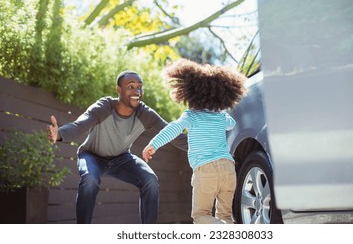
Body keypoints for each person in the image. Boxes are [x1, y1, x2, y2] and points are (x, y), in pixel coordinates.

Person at [46, 70, 188, 224]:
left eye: (140, 87)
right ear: (118, 90)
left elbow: (171, 132)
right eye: (131, 87)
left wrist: (204, 145)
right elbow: (80, 125)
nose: (137, 91)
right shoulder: (104, 107)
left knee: (150, 181)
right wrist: (59, 134)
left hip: (121, 158)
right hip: (92, 155)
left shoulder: (145, 114)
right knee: (89, 180)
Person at [142, 58, 247, 224]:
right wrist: (221, 112)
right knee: (225, 216)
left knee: (200, 216)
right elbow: (231, 124)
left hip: (206, 170)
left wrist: (154, 144)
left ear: (189, 93)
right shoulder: (220, 116)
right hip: (228, 168)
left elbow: (173, 129)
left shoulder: (190, 116)